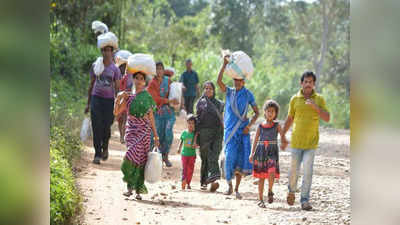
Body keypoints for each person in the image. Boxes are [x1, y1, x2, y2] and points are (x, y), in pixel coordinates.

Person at [282, 71, 330, 211]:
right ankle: (291, 191)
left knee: (308, 171)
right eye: (306, 82)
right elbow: (290, 118)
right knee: (294, 171)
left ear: (314, 84)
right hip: (296, 141)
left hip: (311, 143)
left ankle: (304, 200)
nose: (308, 84)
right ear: (301, 83)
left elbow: (327, 118)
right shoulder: (295, 99)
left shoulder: (319, 99)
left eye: (310, 82)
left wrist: (316, 107)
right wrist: (283, 135)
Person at [217, 55, 259, 199]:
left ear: (244, 81)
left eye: (239, 81)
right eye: (235, 80)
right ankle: (228, 184)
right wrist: (223, 65)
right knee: (229, 158)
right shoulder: (229, 92)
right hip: (229, 131)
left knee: (241, 159)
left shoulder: (248, 94)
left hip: (242, 131)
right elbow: (218, 82)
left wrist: (250, 125)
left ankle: (236, 188)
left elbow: (257, 112)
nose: (237, 83)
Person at [121, 71, 159, 200]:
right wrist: (119, 98)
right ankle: (129, 186)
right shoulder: (128, 97)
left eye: (141, 79)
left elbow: (151, 117)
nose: (138, 81)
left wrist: (156, 135)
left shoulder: (147, 97)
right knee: (131, 153)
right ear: (133, 80)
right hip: (131, 131)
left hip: (144, 132)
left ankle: (136, 190)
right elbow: (117, 112)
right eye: (136, 78)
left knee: (141, 160)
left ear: (144, 82)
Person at [85, 44, 121, 164]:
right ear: (102, 52)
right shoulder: (96, 66)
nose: (106, 53)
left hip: (109, 101)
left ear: (112, 53)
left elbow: (117, 89)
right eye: (104, 50)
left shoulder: (115, 69)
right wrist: (88, 103)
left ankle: (105, 146)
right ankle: (97, 154)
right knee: (96, 126)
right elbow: (91, 84)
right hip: (96, 98)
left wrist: (118, 105)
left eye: (109, 51)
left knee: (106, 126)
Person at [249, 100, 288, 208]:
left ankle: (270, 190)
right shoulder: (260, 126)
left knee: (271, 171)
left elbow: (283, 136)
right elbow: (255, 140)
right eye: (268, 111)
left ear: (276, 114)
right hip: (261, 151)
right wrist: (252, 154)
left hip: (272, 151)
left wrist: (284, 142)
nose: (270, 113)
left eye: (272, 111)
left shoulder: (277, 125)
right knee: (261, 177)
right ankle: (261, 199)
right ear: (264, 112)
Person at [147, 62, 179, 167]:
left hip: (169, 112)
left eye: (161, 69)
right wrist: (168, 101)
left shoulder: (168, 81)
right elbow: (154, 99)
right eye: (157, 69)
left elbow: (174, 93)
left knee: (168, 133)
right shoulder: (152, 83)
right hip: (157, 113)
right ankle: (154, 157)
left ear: (163, 70)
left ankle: (165, 156)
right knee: (156, 135)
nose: (159, 71)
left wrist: (176, 99)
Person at [195, 81, 224, 192]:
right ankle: (204, 182)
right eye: (206, 88)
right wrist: (196, 137)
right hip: (204, 133)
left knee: (214, 155)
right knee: (205, 158)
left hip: (217, 132)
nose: (208, 90)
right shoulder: (200, 103)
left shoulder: (219, 104)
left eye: (210, 88)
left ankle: (213, 180)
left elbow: (221, 119)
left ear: (214, 90)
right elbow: (197, 119)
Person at [177, 115, 197, 190]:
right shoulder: (184, 133)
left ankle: (188, 182)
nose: (191, 125)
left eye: (192, 123)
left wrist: (196, 145)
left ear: (195, 124)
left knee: (190, 169)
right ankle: (183, 181)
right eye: (189, 123)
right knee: (184, 169)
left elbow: (197, 144)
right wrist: (179, 148)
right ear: (187, 123)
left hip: (192, 155)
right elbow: (181, 140)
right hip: (184, 154)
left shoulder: (195, 134)